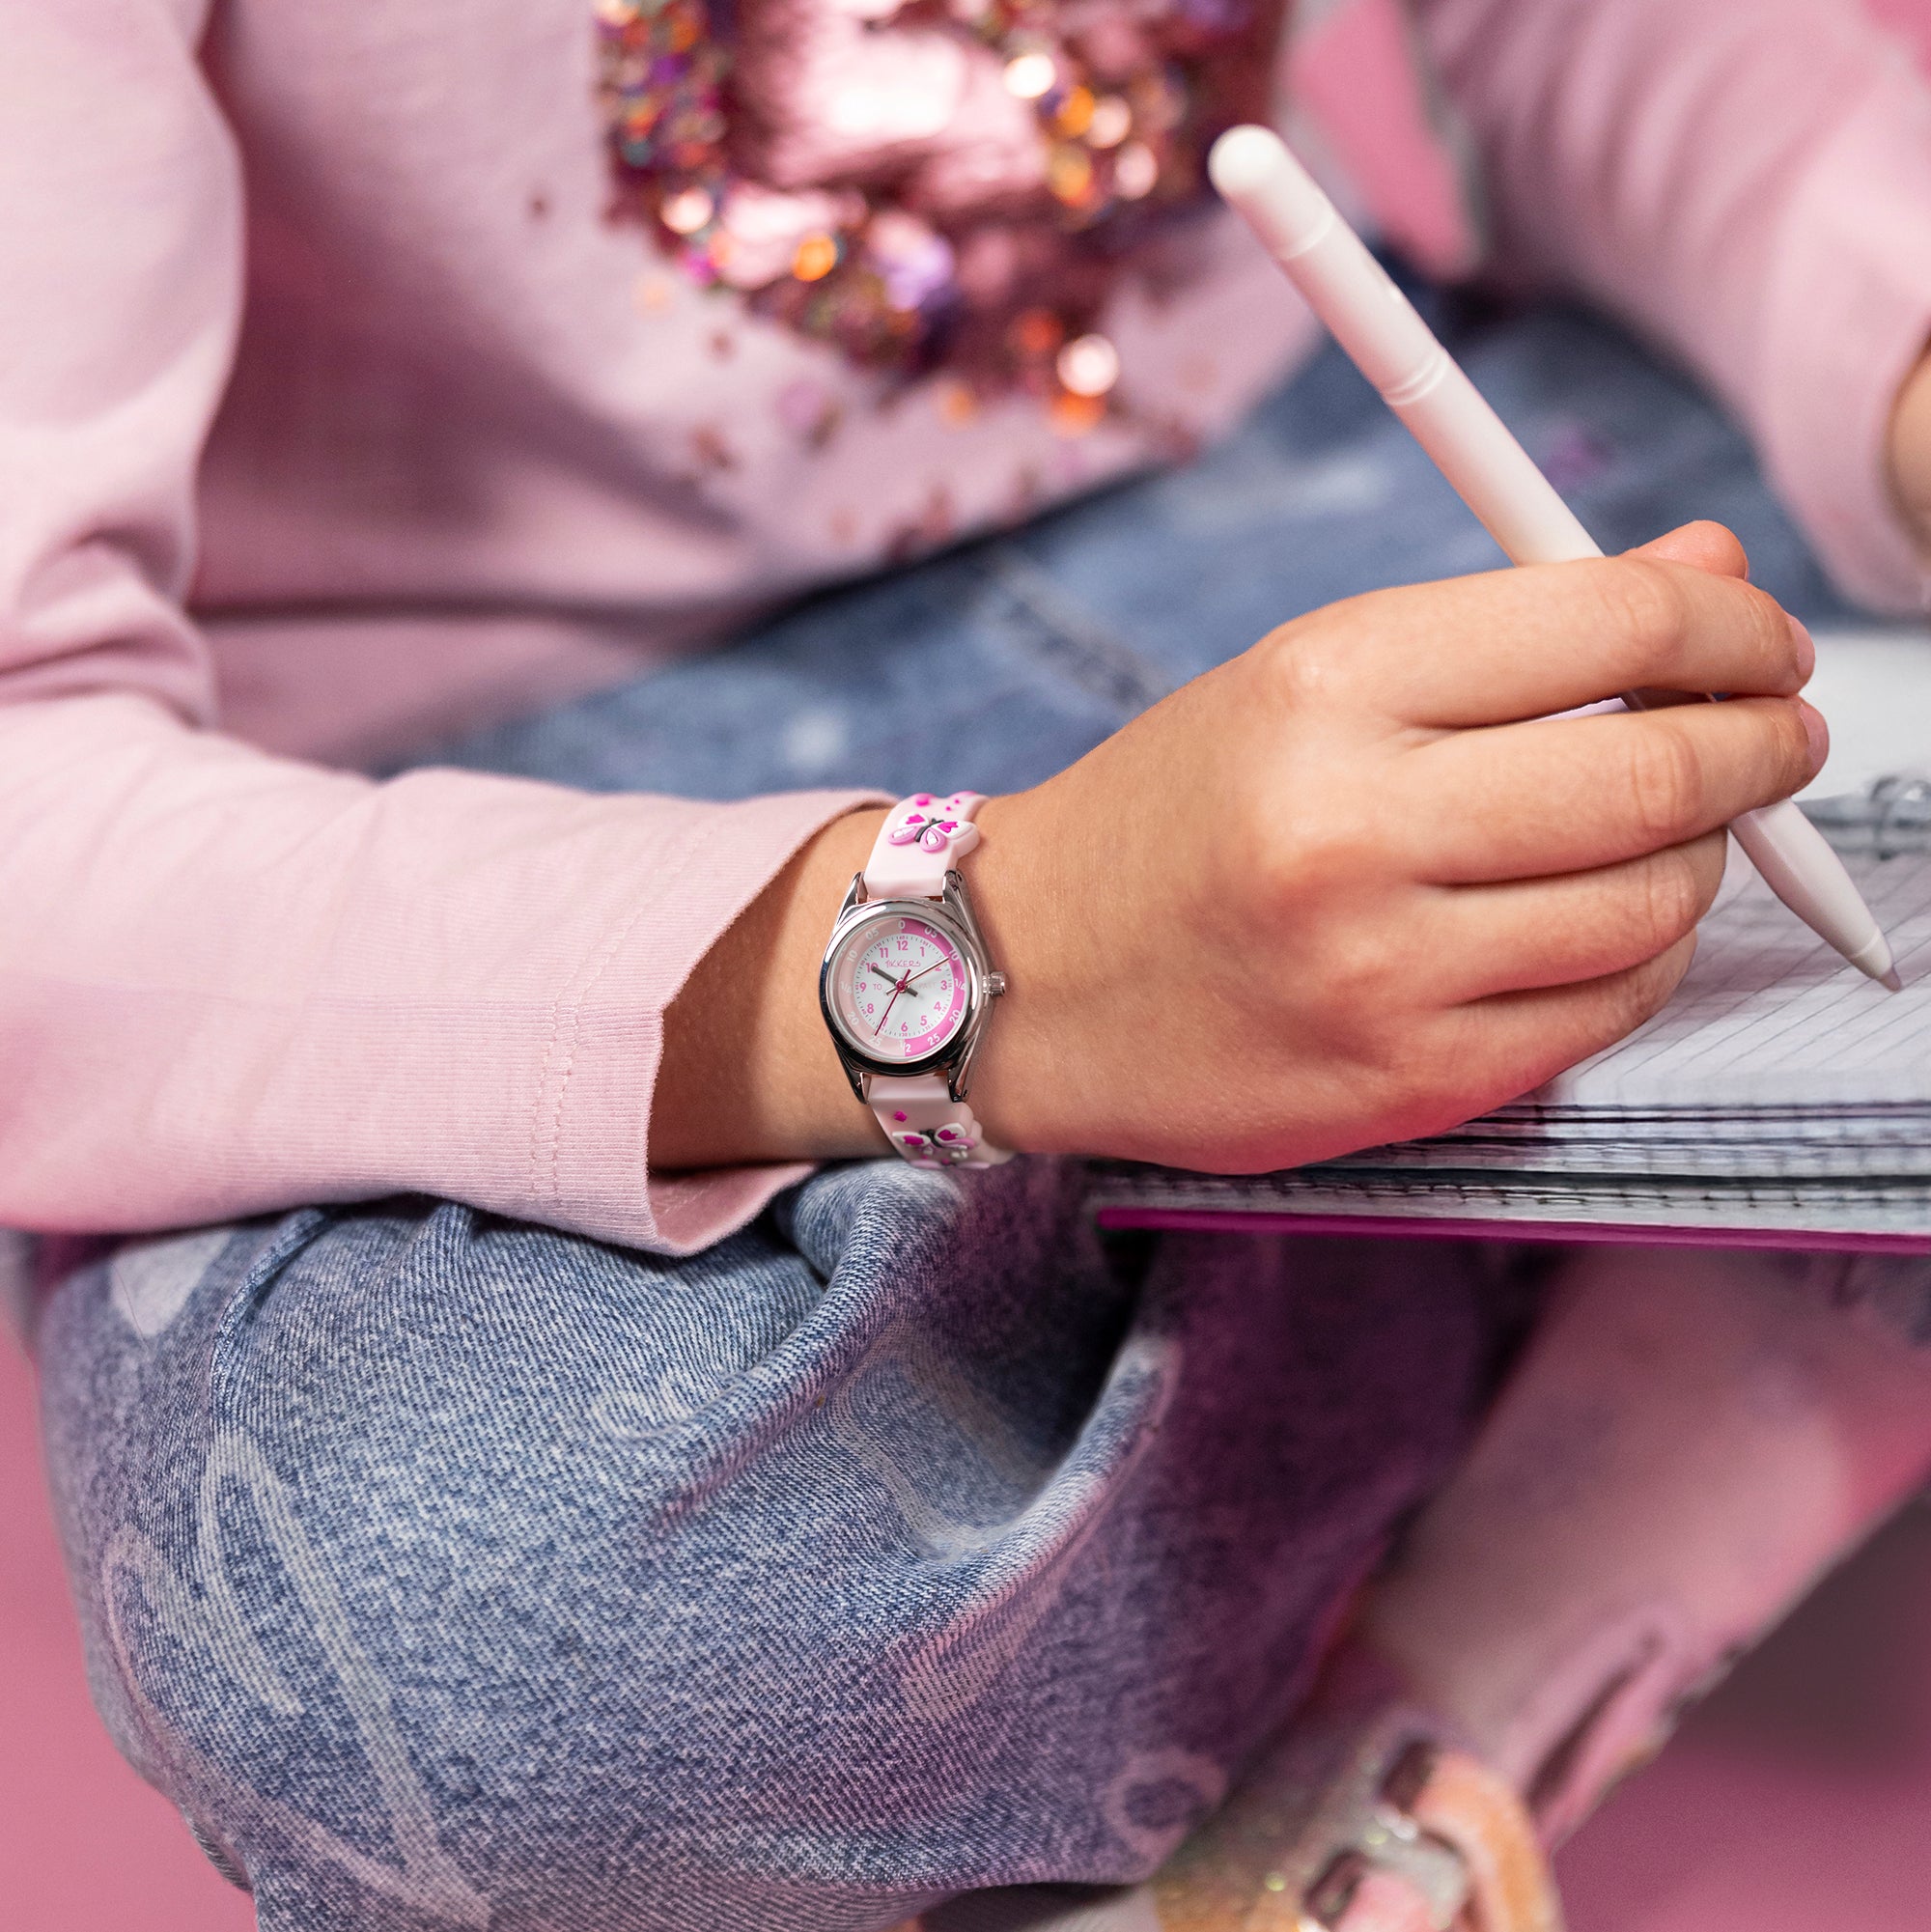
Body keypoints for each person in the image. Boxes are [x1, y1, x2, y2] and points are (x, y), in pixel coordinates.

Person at [7, 1, 1931, 1926]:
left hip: (1351, 467)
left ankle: (1446, 1563)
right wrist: (1003, 950)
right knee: (444, 1628)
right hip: (491, 818)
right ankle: (1696, 1346)